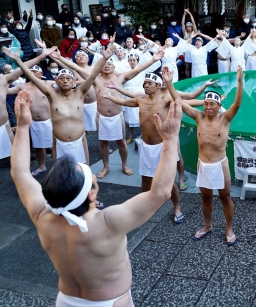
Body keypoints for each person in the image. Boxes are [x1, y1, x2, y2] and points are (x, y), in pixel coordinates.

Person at [10, 87, 183, 307]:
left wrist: (23, 127)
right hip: (111, 302)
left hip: (66, 301)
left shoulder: (42, 214)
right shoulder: (109, 222)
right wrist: (169, 140)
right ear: (92, 193)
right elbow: (161, 192)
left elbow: (20, 173)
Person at [65, 43, 165, 178]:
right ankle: (105, 166)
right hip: (101, 116)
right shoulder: (95, 78)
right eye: (104, 64)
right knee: (103, 143)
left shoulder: (120, 77)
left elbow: (138, 69)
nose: (106, 65)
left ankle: (124, 165)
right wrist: (59, 58)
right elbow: (76, 67)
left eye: (110, 64)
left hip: (117, 116)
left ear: (114, 67)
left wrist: (153, 59)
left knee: (121, 142)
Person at [5, 40, 113, 164]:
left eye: (68, 78)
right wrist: (18, 60)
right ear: (56, 82)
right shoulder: (51, 94)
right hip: (59, 142)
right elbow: (33, 76)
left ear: (73, 82)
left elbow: (92, 76)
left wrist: (104, 59)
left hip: (79, 140)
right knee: (61, 177)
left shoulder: (80, 92)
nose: (65, 81)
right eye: (62, 78)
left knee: (84, 173)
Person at [99, 70, 185, 223]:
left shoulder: (166, 98)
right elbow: (125, 102)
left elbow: (179, 101)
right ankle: (146, 206)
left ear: (158, 85)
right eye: (145, 83)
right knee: (146, 179)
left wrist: (170, 83)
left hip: (163, 146)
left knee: (168, 181)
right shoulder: (141, 99)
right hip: (147, 146)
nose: (146, 85)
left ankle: (176, 207)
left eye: (149, 83)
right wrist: (110, 97)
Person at [171, 66, 244, 245]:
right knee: (205, 197)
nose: (208, 106)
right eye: (206, 103)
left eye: (212, 104)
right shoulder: (198, 117)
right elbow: (179, 101)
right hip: (203, 164)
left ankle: (229, 228)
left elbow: (238, 104)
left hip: (220, 164)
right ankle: (208, 225)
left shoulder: (225, 119)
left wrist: (240, 82)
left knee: (225, 198)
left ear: (219, 106)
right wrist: (167, 83)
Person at [7, 65, 56, 176]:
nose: (33, 73)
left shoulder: (48, 83)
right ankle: (42, 166)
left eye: (36, 71)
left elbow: (70, 85)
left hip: (50, 120)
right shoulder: (22, 86)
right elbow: (5, 91)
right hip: (34, 122)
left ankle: (57, 166)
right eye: (31, 71)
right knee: (39, 146)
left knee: (56, 144)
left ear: (41, 73)